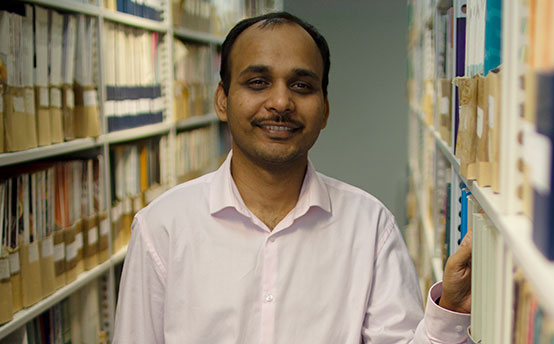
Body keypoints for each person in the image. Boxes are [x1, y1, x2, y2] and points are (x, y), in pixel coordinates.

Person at [113, 12, 472, 343]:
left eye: (301, 86)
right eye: (257, 82)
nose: (281, 102)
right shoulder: (162, 228)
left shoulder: (370, 227)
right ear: (222, 100)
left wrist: (451, 312)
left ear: (325, 109)